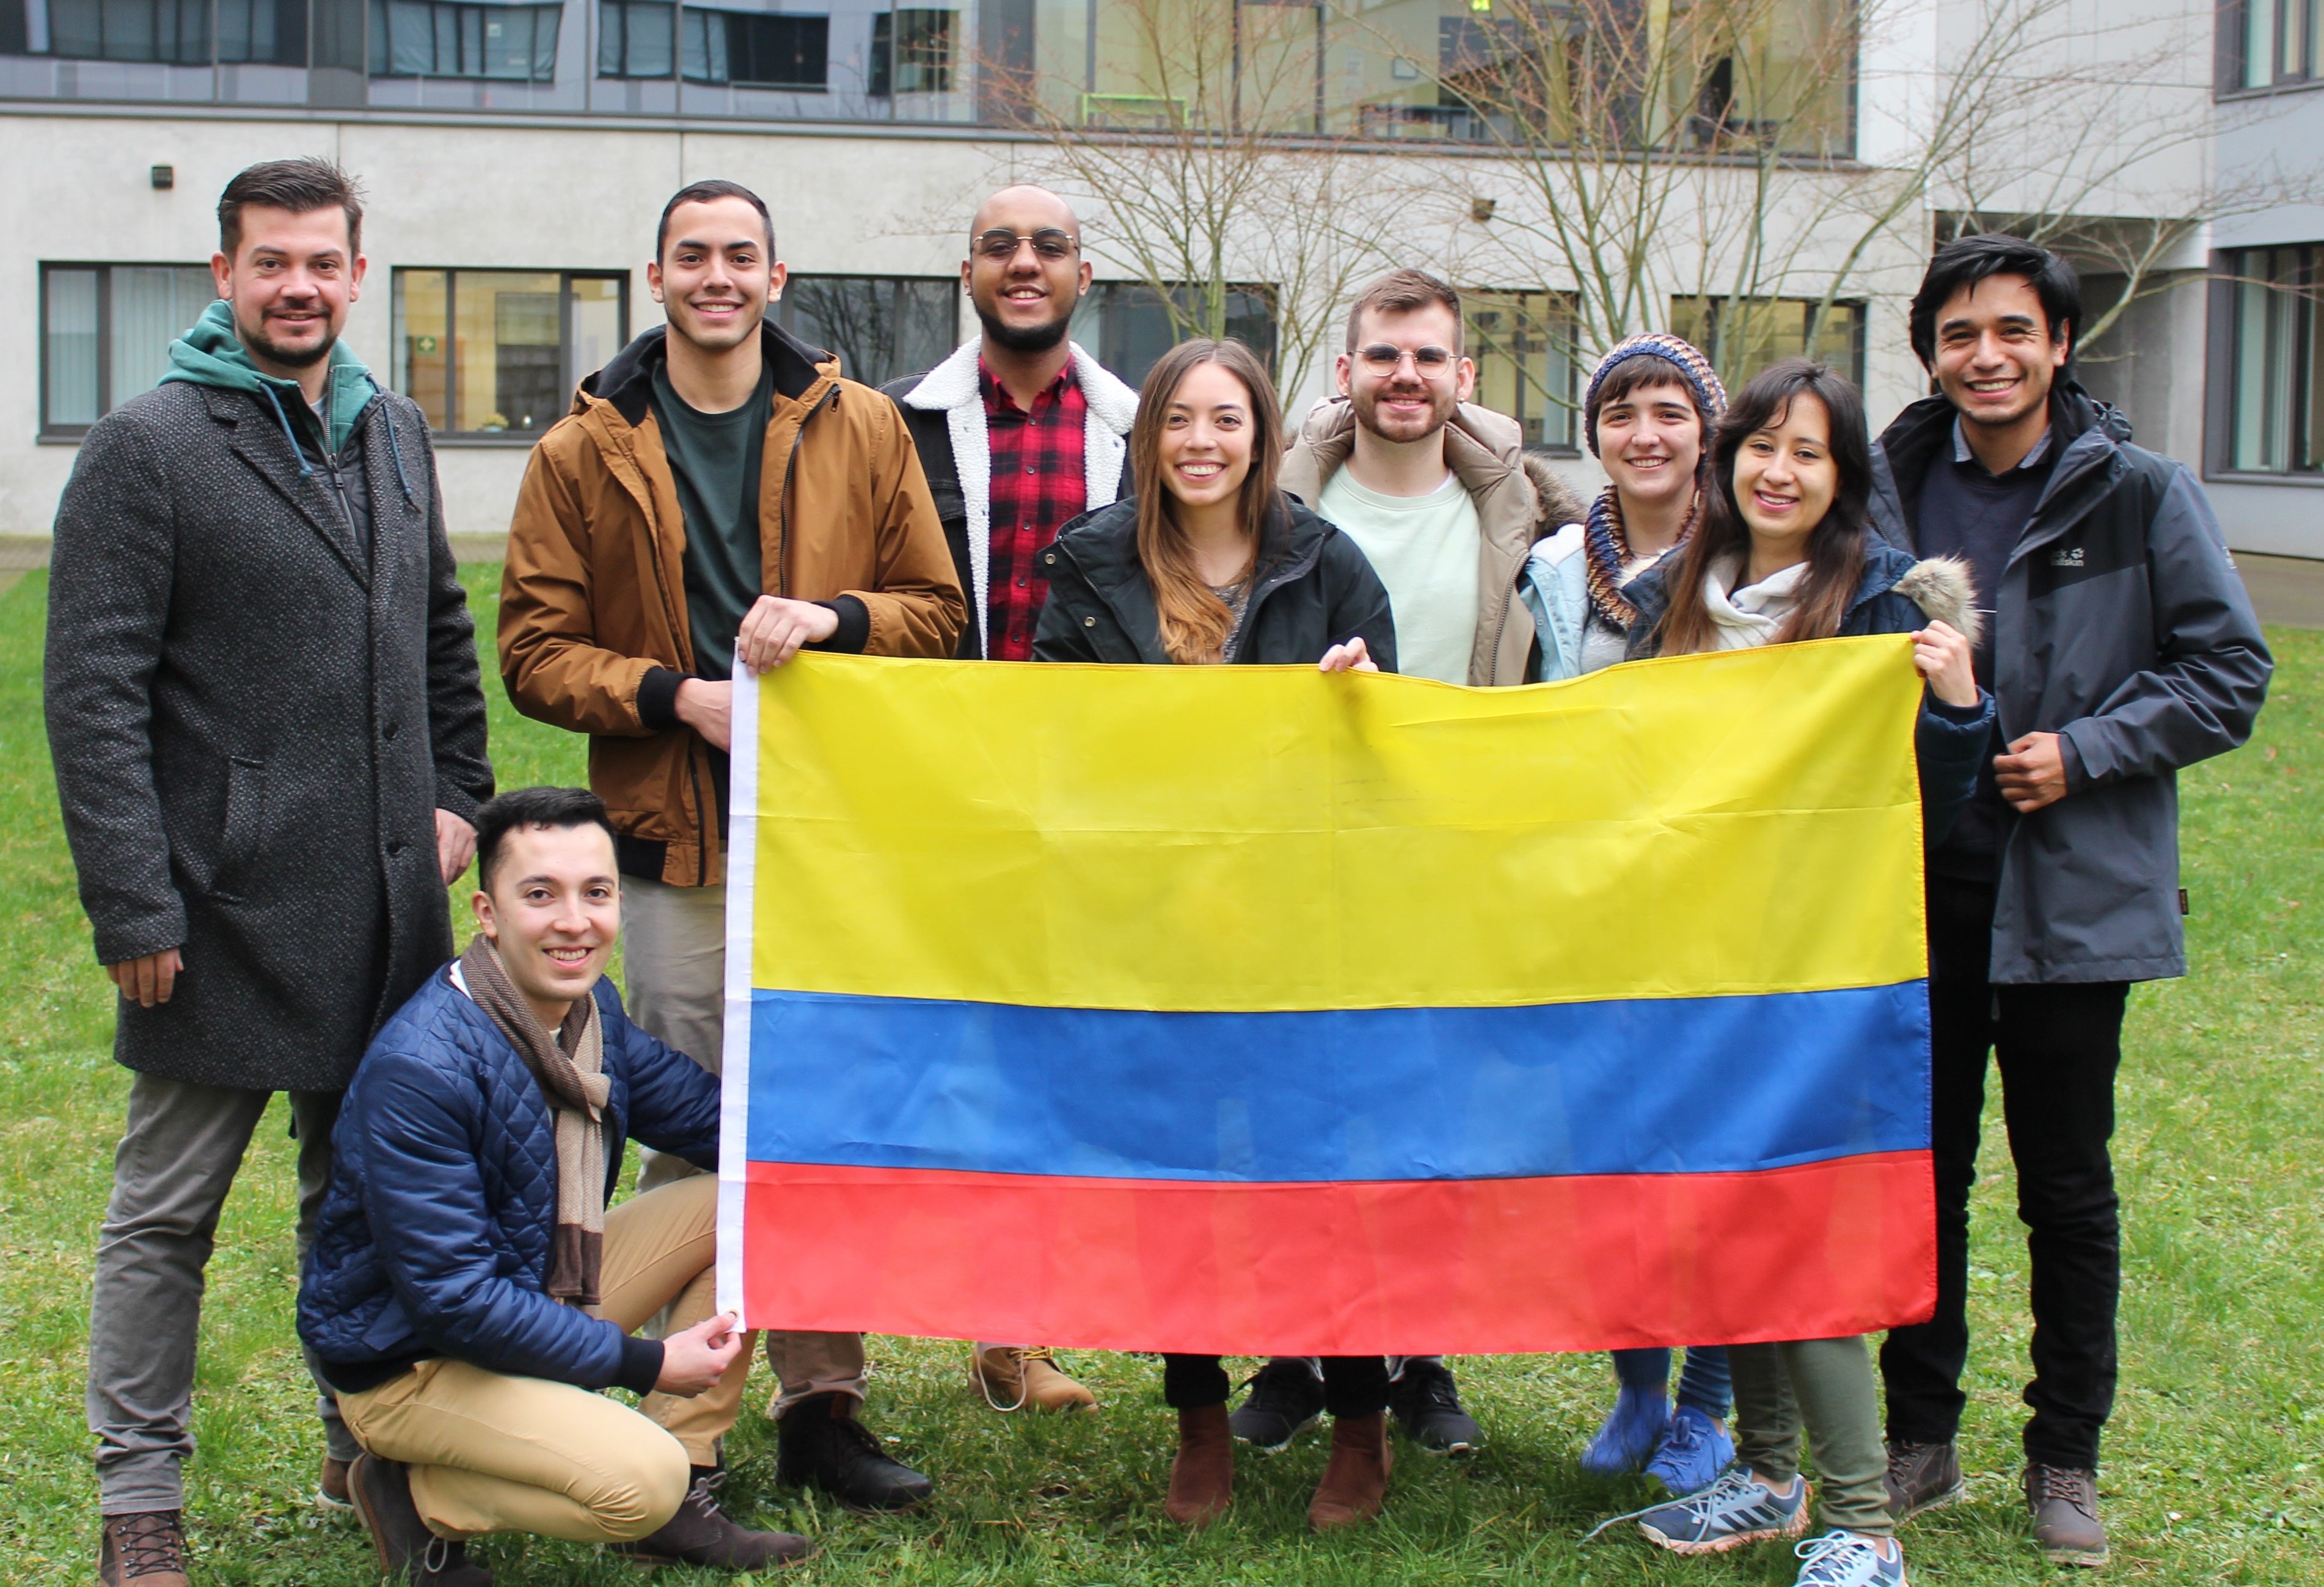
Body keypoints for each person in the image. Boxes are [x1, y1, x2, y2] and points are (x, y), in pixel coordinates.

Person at [43, 156, 494, 1587]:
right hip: (214, 914)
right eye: (268, 263)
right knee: (166, 1214)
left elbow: (440, 639)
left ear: (358, 275)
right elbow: (93, 691)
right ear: (223, 279)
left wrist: (463, 797)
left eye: (321, 263)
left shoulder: (395, 431)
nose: (296, 286)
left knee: (356, 1202)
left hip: (382, 910)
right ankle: (139, 1502)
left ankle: (361, 1447)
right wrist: (132, 899)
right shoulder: (148, 444)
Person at [499, 178, 965, 1513]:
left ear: (777, 277)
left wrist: (832, 619)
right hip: (672, 841)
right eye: (692, 256)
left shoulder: (861, 425)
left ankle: (825, 1405)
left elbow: (938, 611)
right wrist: (671, 697)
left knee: (822, 1123)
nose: (717, 276)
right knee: (693, 1130)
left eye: (740, 256)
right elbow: (533, 650)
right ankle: (676, 1428)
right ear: (657, 278)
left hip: (832, 840)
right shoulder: (581, 450)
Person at [1867, 235, 2271, 1566]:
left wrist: (2084, 751)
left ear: (2057, 345)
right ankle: (1916, 1440)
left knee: (2068, 1192)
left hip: (2068, 901)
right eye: (1961, 332)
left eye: (2013, 332)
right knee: (1922, 1182)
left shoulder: (2138, 491)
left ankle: (2064, 1459)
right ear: (1931, 348)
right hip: (1912, 898)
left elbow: (2228, 670)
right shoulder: (1891, 485)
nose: (1986, 355)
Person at [1609, 359, 1993, 1587]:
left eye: (1809, 452)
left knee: (1808, 1230)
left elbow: (1933, 807)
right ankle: (1766, 1477)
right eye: (1761, 445)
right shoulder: (1668, 600)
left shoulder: (1887, 608)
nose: (1778, 470)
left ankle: (1864, 1522)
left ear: (1844, 481)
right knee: (1725, 1218)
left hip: (1826, 971)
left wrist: (1960, 708)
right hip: (1696, 965)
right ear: (1727, 464)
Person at [1031, 338, 1397, 1531]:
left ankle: (1358, 1421)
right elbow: (1051, 739)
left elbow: (1396, 760)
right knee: (1172, 1182)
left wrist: (1359, 702)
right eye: (1177, 419)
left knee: (1321, 1185)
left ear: (1262, 434)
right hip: (1154, 930)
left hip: (1306, 932)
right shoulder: (1091, 563)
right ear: (1149, 437)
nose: (1200, 441)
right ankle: (1198, 1418)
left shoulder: (1329, 567)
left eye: (1225, 420)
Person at [1236, 268, 1585, 1461]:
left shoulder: (1528, 517)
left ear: (1463, 378)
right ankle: (1292, 1354)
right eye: (1385, 355)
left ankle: (1422, 1361)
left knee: (1431, 1118)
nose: (1406, 377)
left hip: (1454, 862)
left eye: (1430, 358)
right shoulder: (1274, 504)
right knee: (1302, 1114)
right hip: (1305, 857)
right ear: (1345, 370)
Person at [300, 787, 812, 1582]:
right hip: (416, 1362)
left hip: (537, 1289)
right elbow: (456, 1300)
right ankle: (417, 1491)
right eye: (540, 894)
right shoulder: (422, 1068)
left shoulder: (586, 1007)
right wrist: (645, 1362)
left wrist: (868, 1145)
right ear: (488, 911)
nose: (574, 920)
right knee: (637, 1483)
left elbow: (702, 1115)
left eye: (596, 892)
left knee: (754, 1201)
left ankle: (687, 1479)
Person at [881, 182, 1139, 1413]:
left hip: (1095, 793)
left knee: (1054, 1060)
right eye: (1000, 247)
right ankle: (863, 1325)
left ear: (1087, 275)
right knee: (941, 1058)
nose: (1024, 264)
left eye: (1049, 247)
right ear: (968, 274)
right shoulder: (896, 428)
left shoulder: (1141, 433)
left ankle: (1014, 1331)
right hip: (944, 789)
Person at [1521, 332, 1740, 1495]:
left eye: (1668, 410)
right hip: (1595, 904)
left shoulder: (1753, 561)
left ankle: (1708, 1401)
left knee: (1712, 1157)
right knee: (1610, 1153)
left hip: (1722, 908)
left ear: (1706, 428)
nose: (1645, 433)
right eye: (1620, 412)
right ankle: (1638, 1381)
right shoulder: (1560, 566)